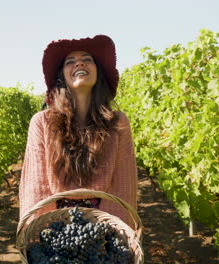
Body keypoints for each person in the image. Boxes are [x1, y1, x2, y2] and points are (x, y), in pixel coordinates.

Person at [18, 35, 138, 229]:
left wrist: (110, 234)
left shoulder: (118, 123)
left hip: (105, 224)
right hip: (56, 226)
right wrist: (45, 234)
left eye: (87, 59)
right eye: (70, 61)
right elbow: (36, 188)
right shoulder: (41, 123)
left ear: (98, 72)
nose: (79, 63)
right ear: (62, 76)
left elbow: (124, 187)